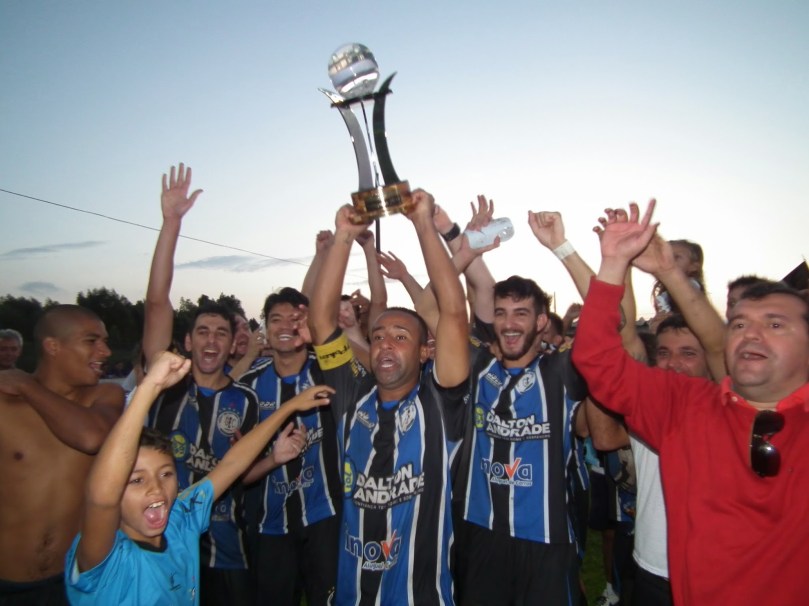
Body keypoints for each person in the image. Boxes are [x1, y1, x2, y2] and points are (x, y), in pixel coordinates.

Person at [573, 199, 809, 605]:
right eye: (738, 324)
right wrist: (613, 263)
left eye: (774, 324)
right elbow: (598, 360)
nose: (750, 334)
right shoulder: (686, 407)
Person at [64, 349, 333, 605]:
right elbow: (101, 498)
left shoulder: (182, 519)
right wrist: (148, 389)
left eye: (166, 473)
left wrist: (291, 406)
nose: (156, 488)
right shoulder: (106, 557)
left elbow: (233, 464)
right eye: (136, 480)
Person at [308, 190, 471, 605]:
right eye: (378, 336)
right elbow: (322, 320)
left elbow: (453, 314)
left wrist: (421, 224)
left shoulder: (440, 400)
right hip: (351, 594)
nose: (384, 345)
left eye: (401, 338)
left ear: (424, 352)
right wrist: (344, 234)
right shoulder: (350, 396)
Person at [142, 164, 259, 605]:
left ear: (233, 345)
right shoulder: (165, 384)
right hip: (161, 538)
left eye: (222, 333)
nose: (212, 339)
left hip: (226, 547)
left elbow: (245, 473)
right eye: (203, 331)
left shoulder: (245, 400)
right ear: (188, 341)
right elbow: (157, 302)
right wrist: (172, 223)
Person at [0, 305, 123, 604]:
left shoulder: (104, 397)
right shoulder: (5, 406)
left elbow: (91, 437)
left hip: (75, 582)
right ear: (53, 346)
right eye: (91, 341)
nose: (105, 351)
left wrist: (26, 385)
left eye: (104, 341)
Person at [238, 287, 341, 606]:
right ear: (265, 329)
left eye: (294, 319)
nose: (285, 326)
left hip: (325, 516)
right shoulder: (247, 387)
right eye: (275, 319)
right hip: (270, 524)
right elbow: (236, 469)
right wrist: (272, 458)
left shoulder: (330, 372)